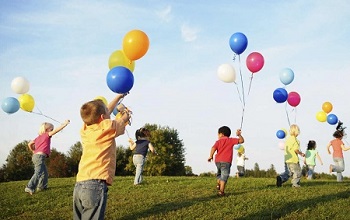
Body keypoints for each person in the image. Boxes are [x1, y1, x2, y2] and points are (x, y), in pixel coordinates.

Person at [73, 94, 131, 220]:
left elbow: (105, 112)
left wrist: (118, 97)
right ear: (103, 117)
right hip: (95, 185)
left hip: (80, 184)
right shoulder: (108, 128)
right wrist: (126, 113)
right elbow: (121, 121)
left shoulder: (85, 129)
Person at [25, 120, 70, 195]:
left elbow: (29, 144)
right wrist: (64, 124)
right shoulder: (46, 135)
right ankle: (29, 187)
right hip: (39, 157)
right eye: (51, 129)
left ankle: (42, 186)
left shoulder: (38, 138)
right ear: (46, 130)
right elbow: (56, 130)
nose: (52, 131)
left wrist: (33, 150)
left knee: (44, 173)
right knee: (38, 172)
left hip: (37, 156)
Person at [208, 126, 244, 196]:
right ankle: (221, 191)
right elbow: (241, 141)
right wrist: (239, 135)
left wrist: (211, 156)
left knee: (219, 174)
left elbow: (213, 148)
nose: (218, 136)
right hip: (226, 161)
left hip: (217, 161)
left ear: (221, 134)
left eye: (218, 134)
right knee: (224, 176)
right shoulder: (231, 140)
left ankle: (218, 184)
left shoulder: (218, 141)